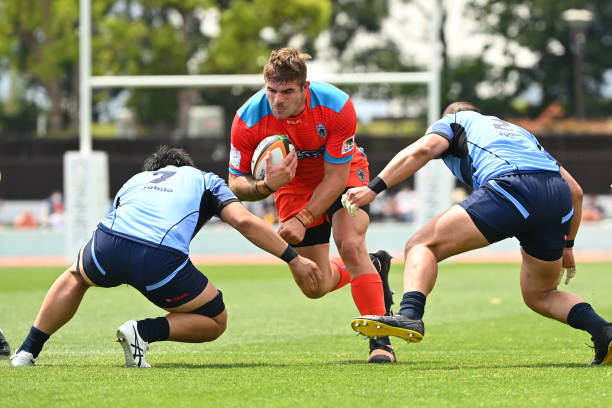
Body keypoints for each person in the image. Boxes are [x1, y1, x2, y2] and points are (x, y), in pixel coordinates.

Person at [345, 101, 612, 365]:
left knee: (421, 244)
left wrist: (374, 188)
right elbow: (575, 191)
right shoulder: (518, 131)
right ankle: (604, 332)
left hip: (512, 187)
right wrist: (568, 247)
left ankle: (409, 314)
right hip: (556, 195)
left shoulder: (455, 121)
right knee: (541, 294)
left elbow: (424, 149)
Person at [10, 145, 323, 368]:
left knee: (77, 276)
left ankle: (27, 351)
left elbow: (118, 215)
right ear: (186, 165)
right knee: (215, 318)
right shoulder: (205, 179)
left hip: (108, 242)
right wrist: (293, 259)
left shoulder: (135, 180)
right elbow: (243, 221)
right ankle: (143, 332)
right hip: (158, 258)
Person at [227, 48, 396, 363]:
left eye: (287, 92)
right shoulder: (247, 119)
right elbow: (235, 184)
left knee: (350, 243)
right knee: (315, 285)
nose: (277, 100)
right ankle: (371, 268)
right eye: (271, 91)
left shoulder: (336, 106)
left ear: (305, 88)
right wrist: (265, 186)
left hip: (343, 173)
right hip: (293, 185)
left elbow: (335, 179)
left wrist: (303, 220)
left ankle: (381, 341)